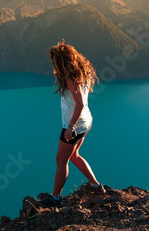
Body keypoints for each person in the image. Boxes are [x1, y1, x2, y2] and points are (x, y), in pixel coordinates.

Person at [39, 40, 105, 208]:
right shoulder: (82, 72)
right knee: (74, 156)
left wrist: (70, 128)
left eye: (55, 61)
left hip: (74, 125)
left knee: (61, 160)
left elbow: (80, 103)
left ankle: (55, 198)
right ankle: (96, 186)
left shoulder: (70, 78)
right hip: (86, 121)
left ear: (61, 61)